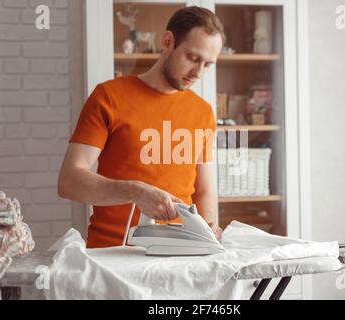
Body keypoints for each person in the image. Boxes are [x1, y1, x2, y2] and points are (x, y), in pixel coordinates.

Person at [58, 6, 225, 248]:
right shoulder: (109, 97)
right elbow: (69, 181)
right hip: (113, 255)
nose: (198, 72)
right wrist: (136, 191)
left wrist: (209, 230)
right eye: (193, 58)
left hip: (183, 252)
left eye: (208, 64)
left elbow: (205, 189)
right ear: (168, 42)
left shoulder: (203, 112)